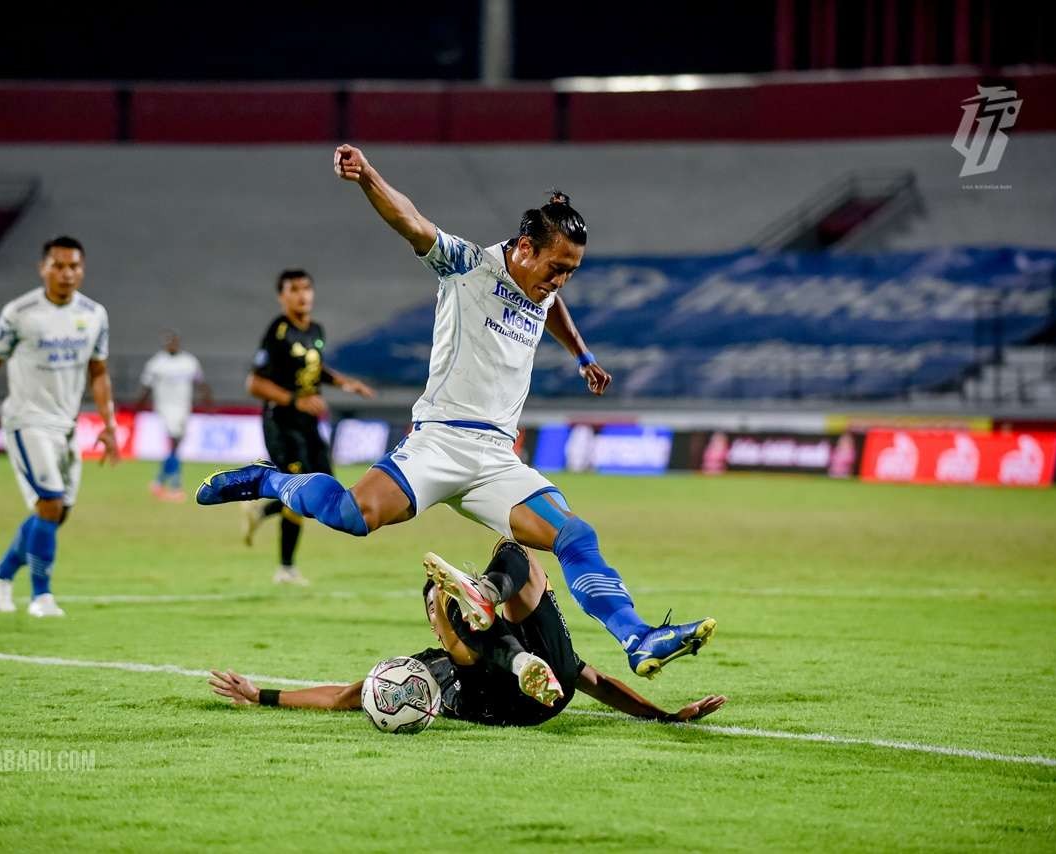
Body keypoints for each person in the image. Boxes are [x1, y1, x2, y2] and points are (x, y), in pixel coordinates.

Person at [198, 144, 714, 678]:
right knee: (352, 516)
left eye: (571, 272)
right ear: (524, 248)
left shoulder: (541, 286)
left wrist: (581, 354)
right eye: (557, 267)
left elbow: (549, 305)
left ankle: (638, 636)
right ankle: (266, 481)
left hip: (496, 459)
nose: (561, 281)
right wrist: (368, 176)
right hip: (440, 442)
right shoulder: (469, 265)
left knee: (575, 535)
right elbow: (411, 221)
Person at [209, 541, 727, 727]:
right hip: (514, 700)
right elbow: (346, 695)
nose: (440, 612)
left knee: (522, 555)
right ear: (430, 618)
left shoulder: (433, 657)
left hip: (549, 686)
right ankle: (494, 618)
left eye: (443, 602)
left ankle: (486, 592)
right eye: (437, 604)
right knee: (472, 644)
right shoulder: (426, 664)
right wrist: (264, 696)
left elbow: (591, 678)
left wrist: (665, 716)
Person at [0, 236, 119, 618]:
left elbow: (98, 371)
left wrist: (108, 423)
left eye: (74, 266)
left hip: (66, 423)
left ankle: (1, 573)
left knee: (56, 512)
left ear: (82, 269)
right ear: (42, 268)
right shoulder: (20, 312)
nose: (67, 273)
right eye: (58, 266)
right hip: (27, 420)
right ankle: (41, 596)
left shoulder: (95, 314)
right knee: (49, 502)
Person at [240, 269, 375, 585]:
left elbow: (313, 367)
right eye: (294, 289)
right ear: (282, 296)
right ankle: (286, 568)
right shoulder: (278, 331)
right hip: (282, 423)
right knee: (300, 487)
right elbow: (255, 383)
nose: (302, 295)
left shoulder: (315, 329)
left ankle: (262, 511)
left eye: (306, 288)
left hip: (308, 423)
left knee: (326, 485)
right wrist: (294, 400)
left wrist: (344, 382)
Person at [136, 330, 211, 501]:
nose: (171, 345)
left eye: (174, 342)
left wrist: (208, 402)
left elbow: (201, 383)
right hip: (165, 409)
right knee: (174, 443)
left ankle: (159, 481)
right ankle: (175, 486)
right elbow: (146, 387)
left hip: (184, 408)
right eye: (168, 342)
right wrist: (138, 406)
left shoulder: (189, 362)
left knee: (175, 447)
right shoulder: (156, 363)